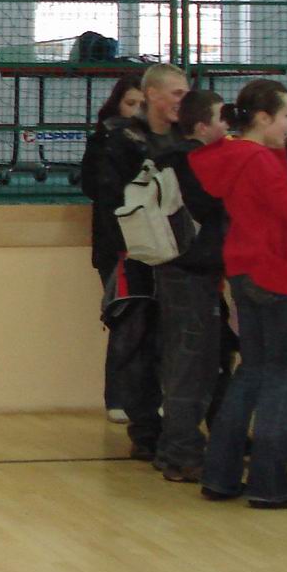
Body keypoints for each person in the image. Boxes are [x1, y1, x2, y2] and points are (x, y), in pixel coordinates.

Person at [192, 79, 287, 509]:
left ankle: (220, 475)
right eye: (286, 116)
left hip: (245, 271)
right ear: (264, 118)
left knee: (252, 371)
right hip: (278, 274)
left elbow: (273, 204)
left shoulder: (236, 156)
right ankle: (269, 484)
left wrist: (285, 151)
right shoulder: (258, 160)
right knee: (281, 377)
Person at [91, 64, 189, 461]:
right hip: (134, 255)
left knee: (183, 342)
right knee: (137, 339)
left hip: (183, 257)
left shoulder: (188, 140)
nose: (184, 100)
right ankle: (145, 428)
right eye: (177, 93)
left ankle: (183, 426)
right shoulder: (121, 141)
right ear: (153, 95)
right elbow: (110, 198)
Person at [151, 89, 229, 482]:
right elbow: (211, 207)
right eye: (221, 118)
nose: (228, 126)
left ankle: (173, 449)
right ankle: (182, 453)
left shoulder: (170, 159)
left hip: (179, 269)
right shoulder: (192, 163)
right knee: (191, 364)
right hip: (190, 272)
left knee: (187, 361)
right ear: (201, 126)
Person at [80, 73, 144, 423]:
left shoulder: (158, 140)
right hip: (117, 244)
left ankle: (149, 397)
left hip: (153, 245)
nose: (137, 111)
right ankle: (118, 398)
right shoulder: (104, 140)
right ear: (117, 104)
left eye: (143, 104)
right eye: (131, 103)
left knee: (151, 323)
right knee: (125, 317)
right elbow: (95, 187)